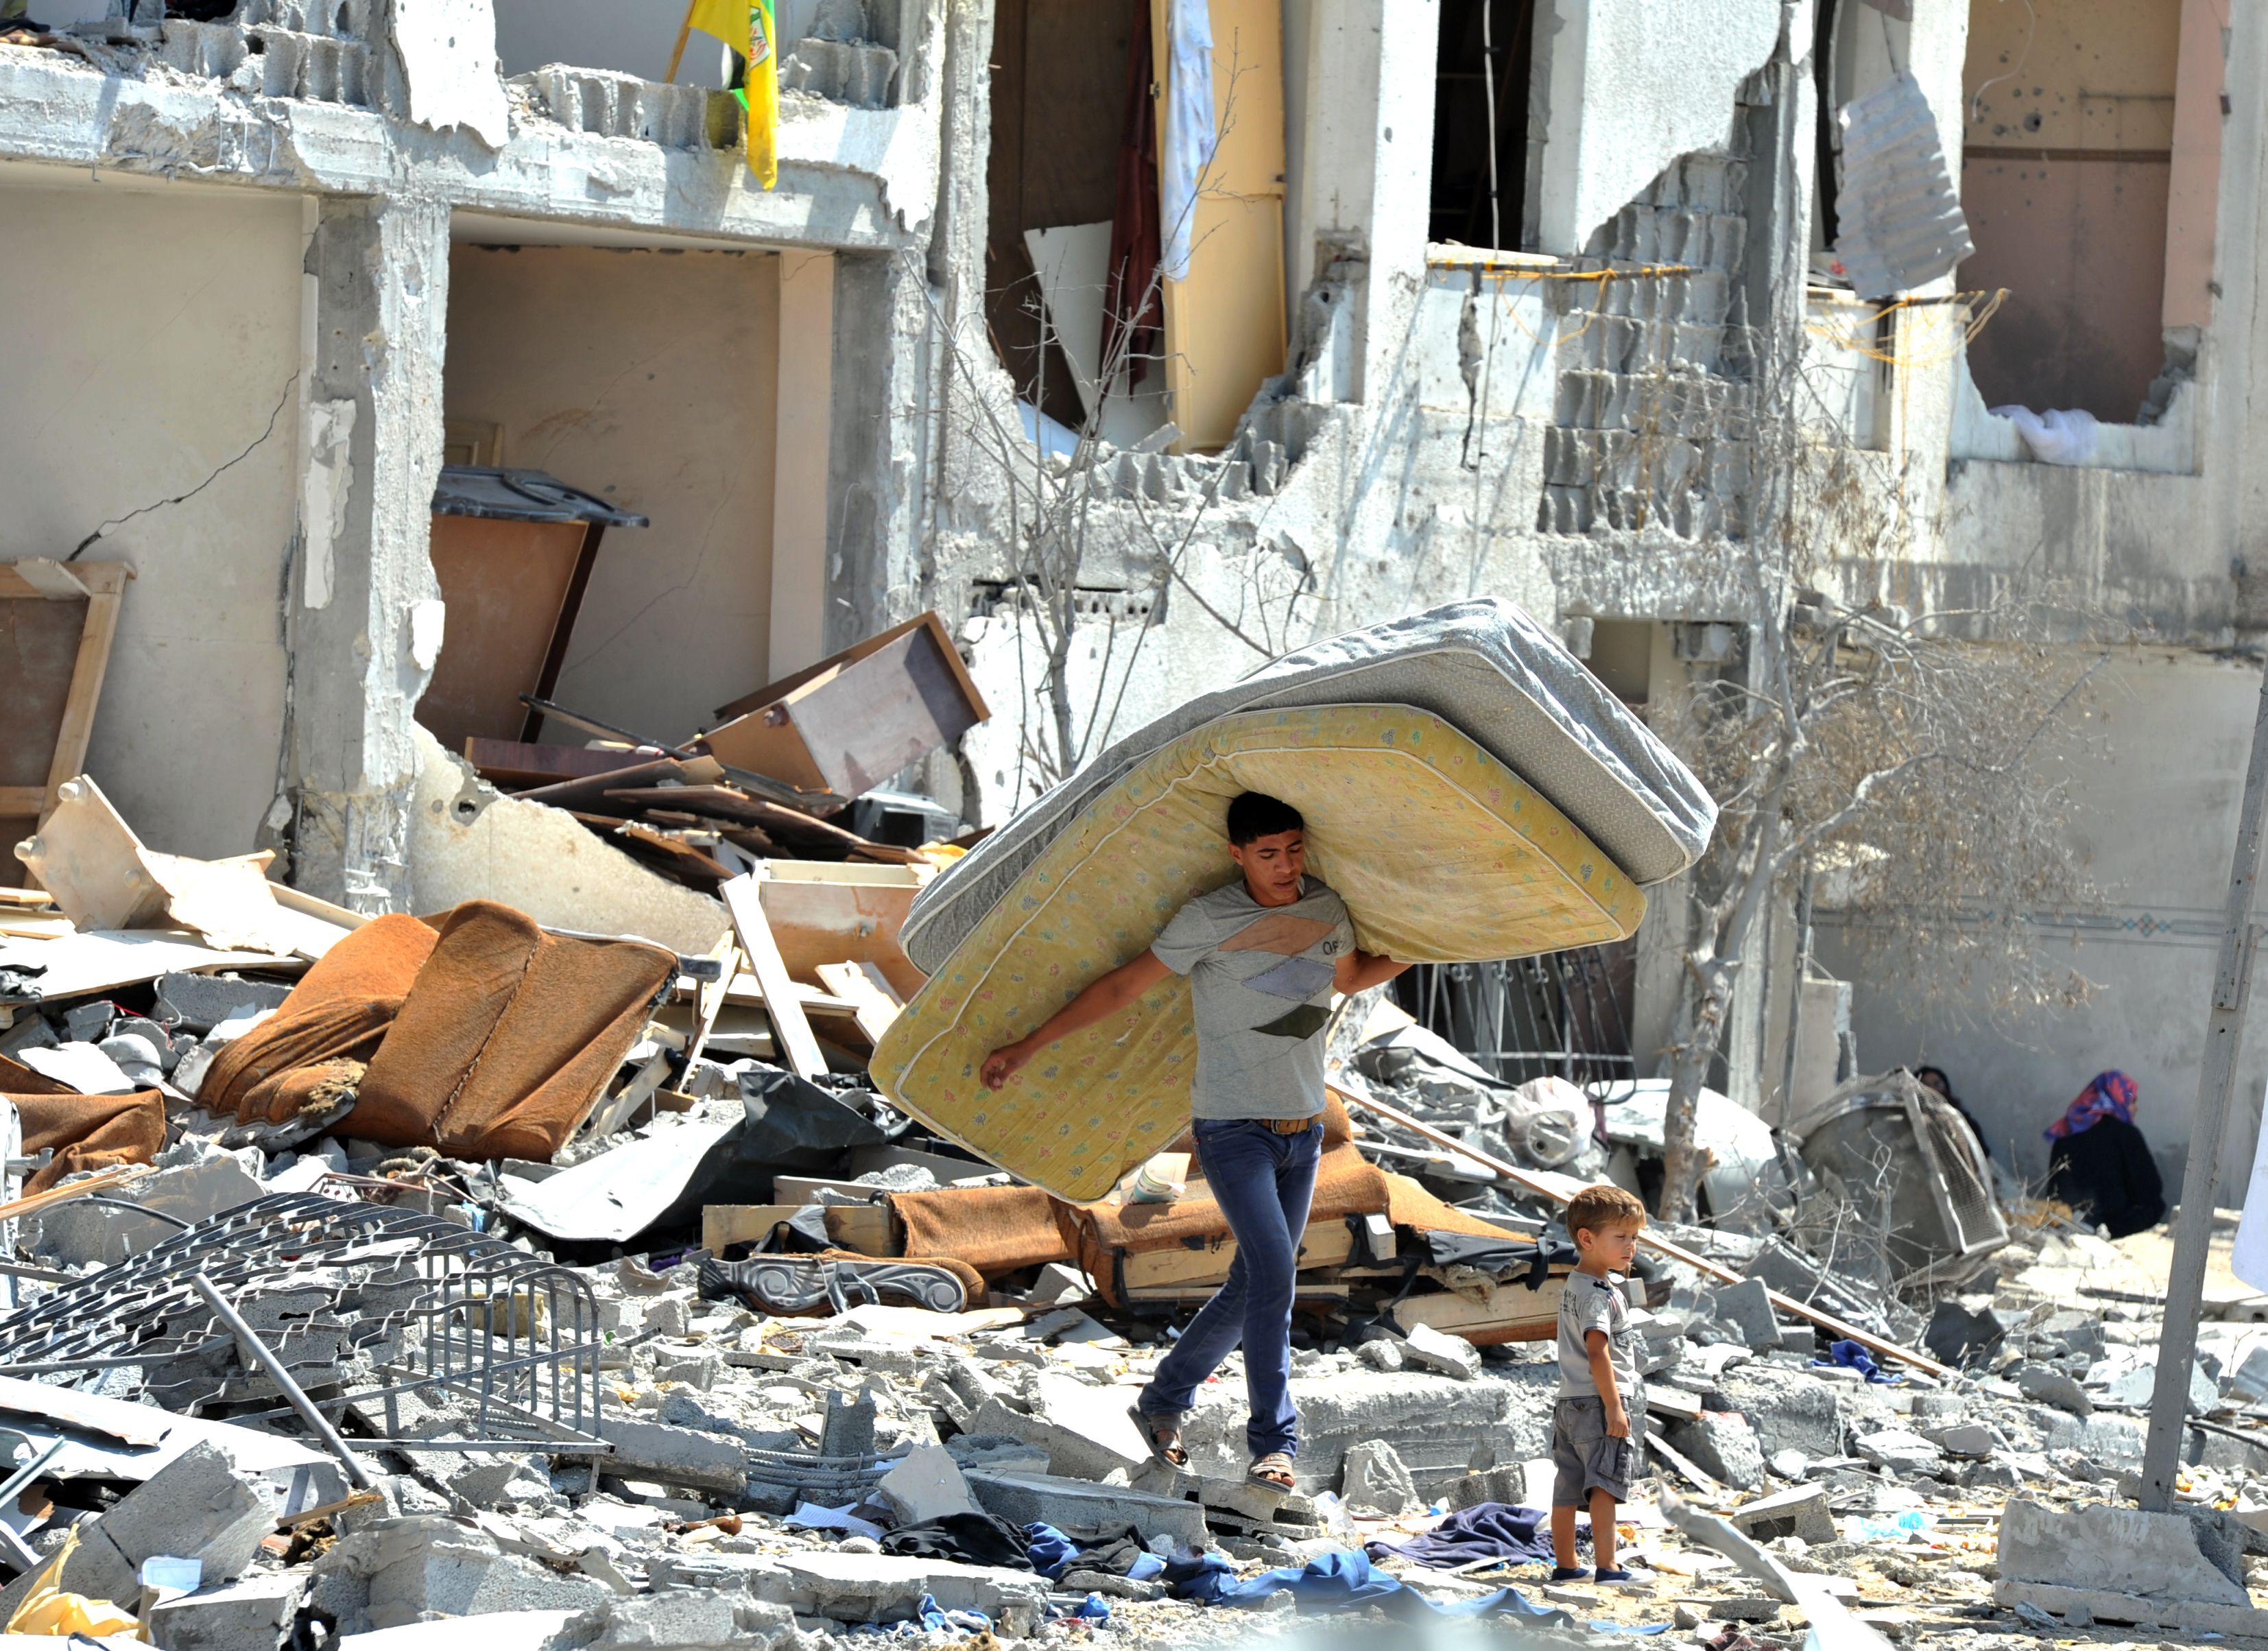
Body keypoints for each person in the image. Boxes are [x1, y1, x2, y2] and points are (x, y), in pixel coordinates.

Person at [979, 792, 1409, 1493]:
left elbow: (1353, 976)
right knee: (1275, 1275)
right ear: (1237, 854)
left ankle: (1161, 1402)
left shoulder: (1326, 908)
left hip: (1301, 1132)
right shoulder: (1209, 919)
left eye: (1294, 849)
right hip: (1232, 1129)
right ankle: (1275, 1445)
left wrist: (1436, 941)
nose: (1284, 865)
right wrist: (1030, 1046)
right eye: (1267, 853)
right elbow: (1122, 986)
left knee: (1252, 1283)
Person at [1551, 1182, 1649, 1584]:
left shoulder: (1575, 1284)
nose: (1631, 1247)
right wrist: (1614, 1406)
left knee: (1567, 1487)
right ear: (1587, 1239)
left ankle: (1566, 1566)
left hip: (1568, 1403)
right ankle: (1608, 1567)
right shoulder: (1598, 1295)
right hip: (1597, 1402)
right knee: (1604, 1486)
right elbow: (1598, 1352)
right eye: (1621, 1237)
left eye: (1635, 1238)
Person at [2042, 1070, 2166, 1239]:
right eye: (2132, 1101)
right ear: (2118, 1098)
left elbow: (2054, 1189)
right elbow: (2150, 1189)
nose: (2136, 1108)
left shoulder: (2067, 1131)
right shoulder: (2125, 1133)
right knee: (2156, 1205)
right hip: (2114, 1224)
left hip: (2065, 1219)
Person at [1909, 1064, 1992, 1162]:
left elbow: (1981, 1158)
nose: (1933, 1090)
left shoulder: (1966, 1124)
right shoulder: (1911, 1123)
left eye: (1938, 1084)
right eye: (1926, 1086)